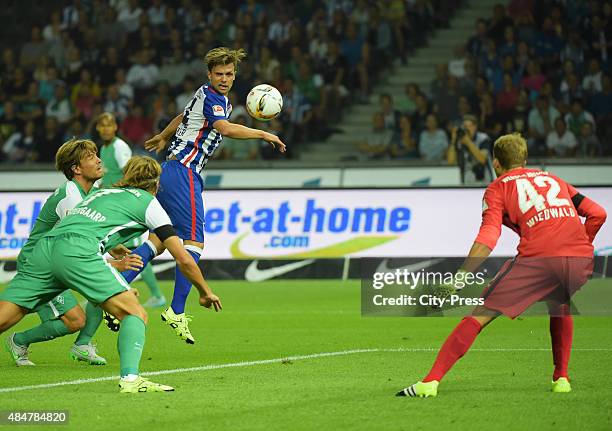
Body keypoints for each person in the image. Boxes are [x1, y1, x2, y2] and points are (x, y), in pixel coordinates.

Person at [397, 133, 606, 398]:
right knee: (560, 302)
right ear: (525, 159)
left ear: (496, 163)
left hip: (539, 259)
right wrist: (581, 245)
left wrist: (461, 276)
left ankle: (430, 381)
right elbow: (598, 213)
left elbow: (489, 236)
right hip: (579, 260)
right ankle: (561, 378)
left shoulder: (498, 187)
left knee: (479, 315)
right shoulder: (554, 179)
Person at [0, 155, 222, 392]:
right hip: (78, 251)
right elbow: (183, 258)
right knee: (134, 312)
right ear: (157, 184)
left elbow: (90, 224)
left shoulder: (100, 193)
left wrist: (112, 249)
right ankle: (130, 379)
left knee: (5, 318)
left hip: (43, 251)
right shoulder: (148, 202)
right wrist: (204, 291)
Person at [129, 47, 285, 344]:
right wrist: (264, 134)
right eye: (219, 74)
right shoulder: (214, 98)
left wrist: (164, 135)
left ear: (234, 75)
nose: (224, 79)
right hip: (185, 173)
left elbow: (183, 116)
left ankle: (115, 289)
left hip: (172, 171)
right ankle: (175, 310)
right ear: (209, 75)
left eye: (229, 74)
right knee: (194, 244)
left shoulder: (206, 94)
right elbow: (223, 128)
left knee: (159, 241)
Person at [4, 139, 143, 367]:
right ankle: (22, 340)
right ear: (76, 169)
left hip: (56, 260)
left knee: (75, 315)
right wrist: (113, 268)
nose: (99, 160)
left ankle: (65, 342)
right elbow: (73, 244)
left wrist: (112, 248)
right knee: (75, 317)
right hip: (40, 263)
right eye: (91, 157)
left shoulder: (92, 192)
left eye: (97, 154)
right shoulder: (71, 196)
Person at [97, 112, 165, 307]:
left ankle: (154, 295)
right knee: (126, 251)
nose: (106, 129)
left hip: (124, 207)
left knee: (135, 250)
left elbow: (130, 174)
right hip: (113, 206)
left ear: (115, 127)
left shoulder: (119, 147)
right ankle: (112, 291)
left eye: (109, 125)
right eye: (102, 126)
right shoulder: (104, 148)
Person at [447, 114, 493, 184]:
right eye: (465, 126)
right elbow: (450, 162)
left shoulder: (483, 138)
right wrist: (453, 140)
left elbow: (482, 159)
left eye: (469, 126)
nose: (467, 129)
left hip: (484, 182)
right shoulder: (459, 141)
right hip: (466, 182)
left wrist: (468, 142)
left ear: (475, 127)